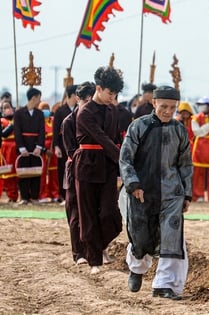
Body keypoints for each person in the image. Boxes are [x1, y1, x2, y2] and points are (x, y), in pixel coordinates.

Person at [120, 86, 193, 301]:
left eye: (172, 107)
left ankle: (164, 285)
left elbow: (185, 164)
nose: (168, 111)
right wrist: (133, 184)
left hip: (172, 193)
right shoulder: (138, 127)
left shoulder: (180, 130)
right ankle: (137, 269)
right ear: (154, 103)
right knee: (141, 237)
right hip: (142, 193)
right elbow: (125, 159)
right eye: (163, 106)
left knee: (172, 238)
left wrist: (186, 194)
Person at [74, 67, 123, 274]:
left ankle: (96, 245)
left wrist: (122, 162)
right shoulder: (84, 112)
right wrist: (123, 159)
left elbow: (116, 139)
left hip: (109, 166)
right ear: (99, 88)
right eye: (110, 93)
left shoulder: (113, 110)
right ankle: (94, 260)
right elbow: (101, 139)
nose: (113, 97)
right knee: (88, 214)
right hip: (87, 164)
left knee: (111, 214)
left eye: (115, 94)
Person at [62, 81, 95, 265]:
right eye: (85, 100)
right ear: (78, 99)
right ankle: (78, 253)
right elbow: (71, 151)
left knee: (91, 212)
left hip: (92, 171)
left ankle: (91, 250)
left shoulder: (95, 119)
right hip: (74, 170)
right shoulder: (68, 121)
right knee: (75, 212)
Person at [13, 88, 45, 205]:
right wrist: (21, 147)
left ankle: (35, 197)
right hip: (24, 146)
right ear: (33, 98)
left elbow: (42, 131)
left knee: (36, 172)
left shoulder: (40, 114)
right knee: (24, 172)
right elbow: (17, 131)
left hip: (36, 147)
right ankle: (24, 197)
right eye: (39, 98)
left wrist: (39, 147)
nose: (40, 100)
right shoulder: (19, 113)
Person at [52, 84, 78, 203]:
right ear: (72, 95)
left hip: (77, 145)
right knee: (62, 170)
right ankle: (62, 195)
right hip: (63, 146)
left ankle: (75, 194)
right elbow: (55, 129)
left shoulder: (80, 109)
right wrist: (56, 146)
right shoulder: (60, 111)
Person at [38, 101, 59, 203]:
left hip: (53, 149)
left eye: (47, 108)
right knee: (43, 173)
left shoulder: (53, 120)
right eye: (43, 108)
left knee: (53, 173)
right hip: (43, 150)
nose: (45, 110)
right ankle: (43, 194)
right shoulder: (38, 121)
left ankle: (54, 193)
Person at [1, 101, 19, 202]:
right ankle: (11, 195)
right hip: (6, 149)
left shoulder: (17, 119)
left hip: (16, 147)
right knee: (8, 173)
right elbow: (3, 134)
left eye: (8, 107)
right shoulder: (2, 121)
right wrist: (11, 125)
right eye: (4, 108)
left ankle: (18, 194)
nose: (7, 109)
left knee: (18, 172)